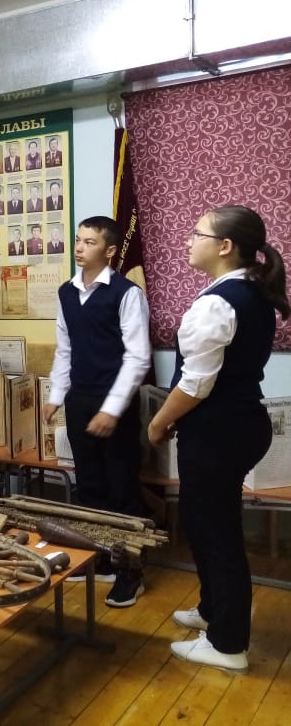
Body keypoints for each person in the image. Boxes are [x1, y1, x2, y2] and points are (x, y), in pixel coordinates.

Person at [148, 205, 289, 673]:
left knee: (217, 533)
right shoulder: (246, 289)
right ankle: (212, 610)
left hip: (219, 431)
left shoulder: (220, 301)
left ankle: (228, 644)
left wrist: (158, 423)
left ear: (225, 246)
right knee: (203, 521)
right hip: (235, 425)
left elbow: (195, 383)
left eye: (197, 233)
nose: (189, 240)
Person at [44, 216, 151, 607]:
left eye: (89, 242)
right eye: (78, 240)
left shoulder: (126, 293)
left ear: (109, 250)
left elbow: (138, 357)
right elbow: (65, 349)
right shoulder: (66, 292)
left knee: (122, 487)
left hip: (115, 404)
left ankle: (130, 572)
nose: (79, 247)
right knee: (89, 486)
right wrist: (56, 395)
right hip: (80, 400)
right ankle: (101, 559)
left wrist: (112, 409)